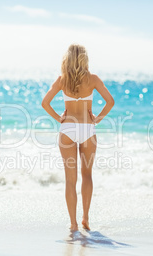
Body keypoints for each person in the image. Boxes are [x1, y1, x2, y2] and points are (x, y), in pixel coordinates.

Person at [42, 44, 115, 231]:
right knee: (87, 175)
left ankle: (73, 224)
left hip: (67, 129)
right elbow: (110, 101)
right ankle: (86, 218)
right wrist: (97, 118)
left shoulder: (62, 80)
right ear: (84, 58)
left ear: (67, 59)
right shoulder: (93, 79)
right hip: (88, 130)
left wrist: (59, 118)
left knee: (70, 180)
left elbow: (45, 103)